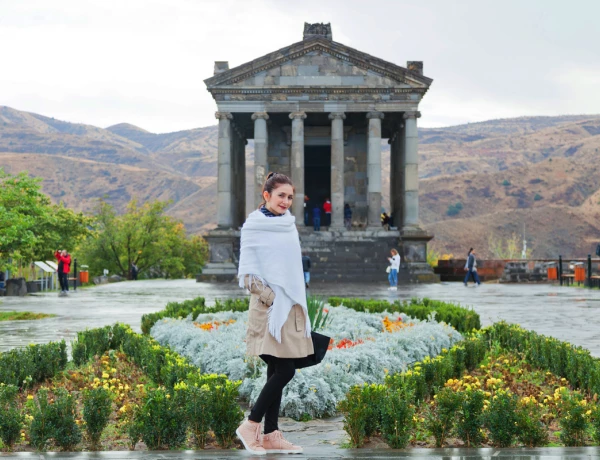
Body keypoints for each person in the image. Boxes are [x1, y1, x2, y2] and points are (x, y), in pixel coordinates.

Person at [236, 172, 313, 455]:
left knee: (276, 370)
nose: (286, 201)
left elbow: (291, 272)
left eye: (291, 197)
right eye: (281, 195)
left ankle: (270, 434)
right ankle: (251, 424)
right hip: (269, 310)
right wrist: (273, 298)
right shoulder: (254, 227)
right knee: (285, 370)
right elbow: (248, 277)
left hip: (290, 311)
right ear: (266, 195)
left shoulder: (288, 226)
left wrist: (291, 301)